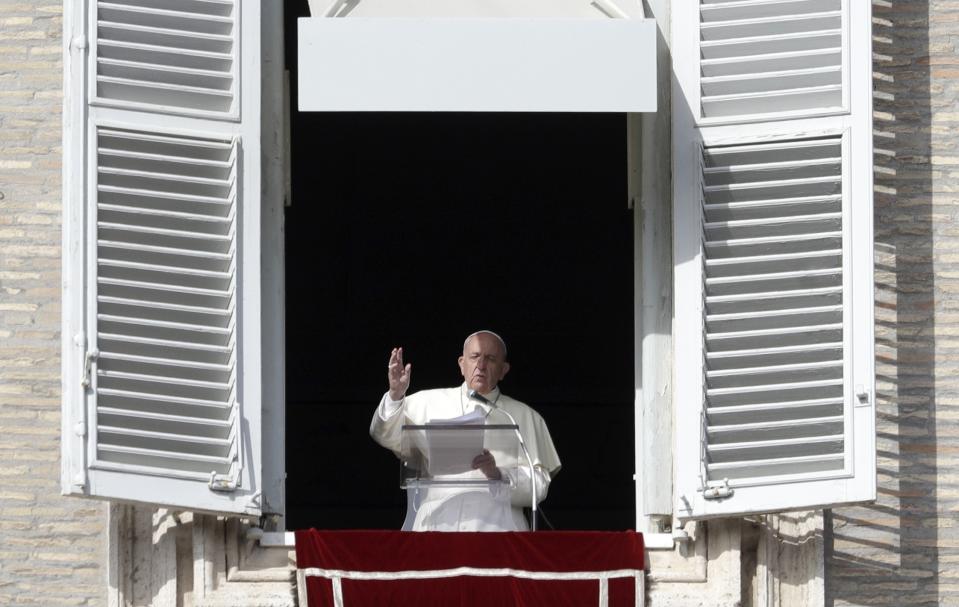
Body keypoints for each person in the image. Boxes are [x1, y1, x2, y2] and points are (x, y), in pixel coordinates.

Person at [370, 330, 561, 531]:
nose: (481, 365)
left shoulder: (522, 416)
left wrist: (499, 474)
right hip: (437, 527)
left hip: (497, 532)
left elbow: (539, 486)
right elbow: (383, 434)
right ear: (462, 363)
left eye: (490, 359)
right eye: (475, 357)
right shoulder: (426, 402)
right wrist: (395, 395)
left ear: (504, 370)